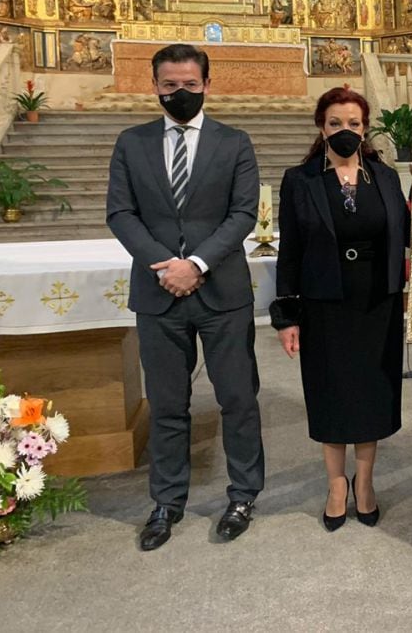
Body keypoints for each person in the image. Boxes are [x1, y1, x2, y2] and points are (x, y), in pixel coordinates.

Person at [106, 43, 264, 551]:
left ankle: (243, 493)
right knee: (168, 404)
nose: (180, 93)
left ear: (207, 86)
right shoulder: (131, 143)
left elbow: (242, 214)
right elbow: (121, 213)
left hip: (221, 291)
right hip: (158, 295)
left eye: (190, 86)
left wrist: (195, 264)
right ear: (155, 86)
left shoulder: (234, 142)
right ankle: (167, 501)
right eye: (169, 85)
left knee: (237, 398)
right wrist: (165, 266)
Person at [272, 87, 409, 531]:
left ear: (365, 128)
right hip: (323, 303)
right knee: (331, 392)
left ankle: (364, 482)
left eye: (353, 123)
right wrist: (287, 316)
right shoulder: (301, 180)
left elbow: (406, 234)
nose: (345, 131)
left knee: (370, 391)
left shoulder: (384, 177)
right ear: (321, 127)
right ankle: (335, 484)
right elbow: (289, 251)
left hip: (377, 302)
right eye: (336, 123)